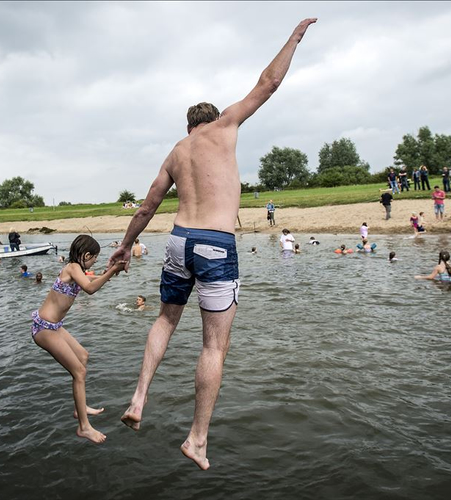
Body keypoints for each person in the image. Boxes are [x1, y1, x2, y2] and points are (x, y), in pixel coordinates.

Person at [107, 18, 317, 470]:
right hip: (217, 244)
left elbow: (144, 209)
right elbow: (270, 82)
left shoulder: (176, 152)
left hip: (178, 241)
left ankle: (139, 398)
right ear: (214, 119)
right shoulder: (225, 127)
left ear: (188, 125)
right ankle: (197, 439)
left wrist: (125, 247)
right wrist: (295, 37)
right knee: (213, 347)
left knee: (165, 320)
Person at [31, 235, 126, 444]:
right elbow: (90, 290)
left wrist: (109, 273)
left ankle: (79, 408)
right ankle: (84, 427)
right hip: (44, 328)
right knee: (79, 372)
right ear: (86, 255)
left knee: (83, 356)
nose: (95, 262)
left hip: (54, 326)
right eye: (94, 259)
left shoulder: (76, 271)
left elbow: (90, 281)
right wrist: (111, 272)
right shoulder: (73, 267)